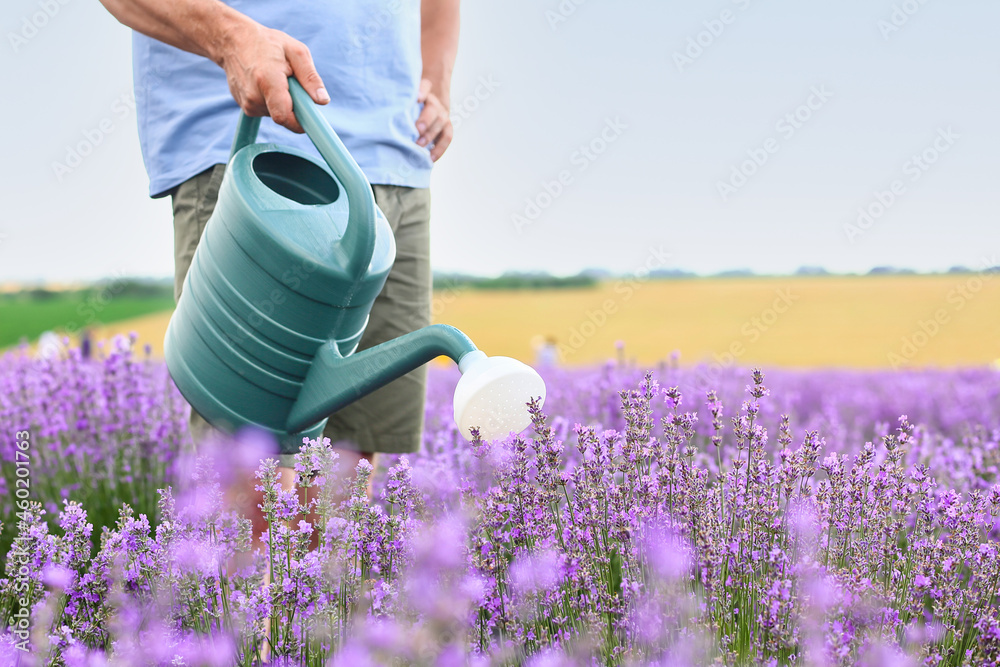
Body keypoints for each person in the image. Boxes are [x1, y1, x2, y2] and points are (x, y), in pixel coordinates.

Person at [99, 0, 460, 545]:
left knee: (343, 489)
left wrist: (435, 77)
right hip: (256, 149)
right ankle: (244, 631)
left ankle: (315, 633)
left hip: (392, 156)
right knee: (247, 468)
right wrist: (231, 39)